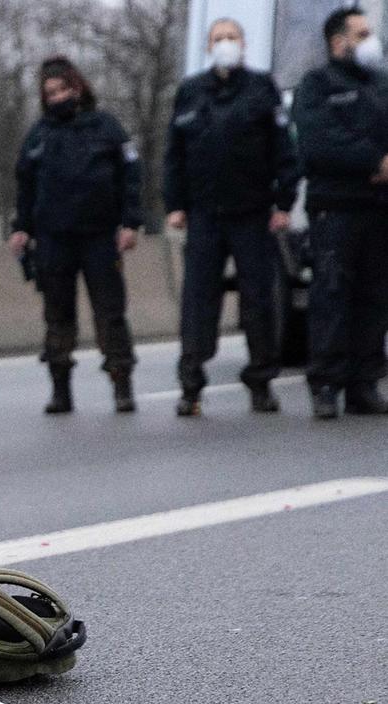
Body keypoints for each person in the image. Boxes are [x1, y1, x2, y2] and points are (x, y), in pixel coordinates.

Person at [164, 17, 300, 417]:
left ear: (243, 44)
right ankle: (191, 386)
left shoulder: (261, 89)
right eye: (218, 38)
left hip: (252, 213)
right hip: (205, 214)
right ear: (208, 47)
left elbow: (284, 151)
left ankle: (260, 381)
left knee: (258, 301)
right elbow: (175, 154)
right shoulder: (190, 93)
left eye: (232, 38)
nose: (225, 44)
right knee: (197, 302)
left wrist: (284, 203)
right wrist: (174, 204)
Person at [9, 56, 143, 414]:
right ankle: (60, 388)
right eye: (49, 92)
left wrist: (131, 222)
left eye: (62, 89)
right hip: (54, 239)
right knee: (57, 317)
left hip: (100, 236)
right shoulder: (38, 136)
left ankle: (121, 383)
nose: (57, 97)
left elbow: (131, 176)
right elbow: (25, 187)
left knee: (110, 314)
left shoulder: (106, 128)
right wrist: (21, 228)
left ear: (77, 88)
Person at [291, 6, 388, 419]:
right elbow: (320, 143)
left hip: (379, 209)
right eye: (362, 33)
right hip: (336, 207)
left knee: (375, 297)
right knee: (332, 294)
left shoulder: (382, 85)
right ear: (338, 42)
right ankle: (326, 383)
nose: (371, 41)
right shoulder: (315, 86)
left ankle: (364, 384)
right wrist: (375, 162)